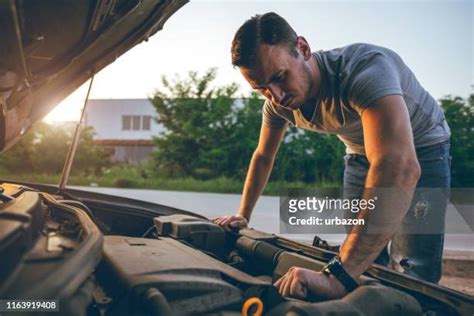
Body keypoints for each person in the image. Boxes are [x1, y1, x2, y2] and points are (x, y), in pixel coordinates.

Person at [213, 12, 451, 300]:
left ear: (302, 49)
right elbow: (263, 156)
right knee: (361, 255)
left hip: (423, 147)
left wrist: (335, 276)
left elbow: (397, 166)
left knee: (412, 269)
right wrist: (243, 214)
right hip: (360, 153)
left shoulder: (364, 69)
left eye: (279, 77)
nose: (276, 97)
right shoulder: (277, 104)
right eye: (261, 89)